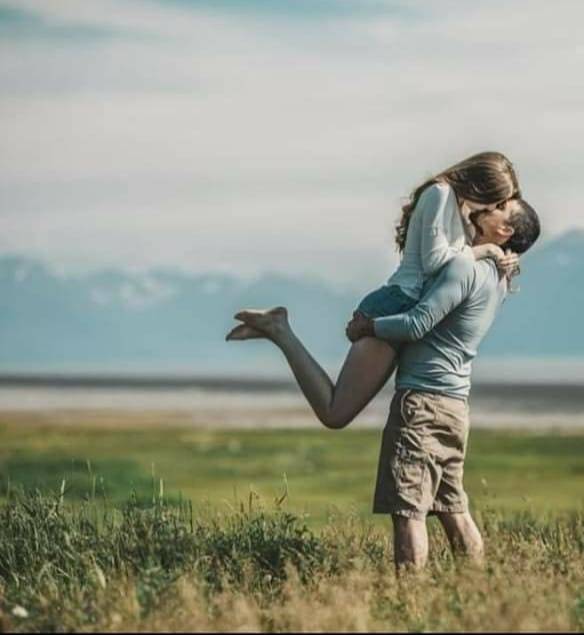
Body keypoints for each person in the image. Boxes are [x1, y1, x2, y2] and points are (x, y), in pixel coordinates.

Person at [226, 151, 522, 429]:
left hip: (408, 309)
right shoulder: (439, 194)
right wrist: (487, 251)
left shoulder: (460, 208)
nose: (494, 209)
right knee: (335, 413)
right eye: (496, 202)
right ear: (481, 185)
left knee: (339, 411)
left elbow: (457, 261)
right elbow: (434, 262)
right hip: (395, 305)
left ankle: (277, 328)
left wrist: (503, 255)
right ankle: (279, 329)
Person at [346, 197, 541, 570]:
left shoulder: (465, 268)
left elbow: (417, 323)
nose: (490, 204)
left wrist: (368, 327)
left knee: (408, 510)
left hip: (423, 403)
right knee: (452, 506)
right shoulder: (497, 274)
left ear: (504, 231)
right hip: (454, 405)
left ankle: (412, 605)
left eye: (500, 206)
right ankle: (474, 589)